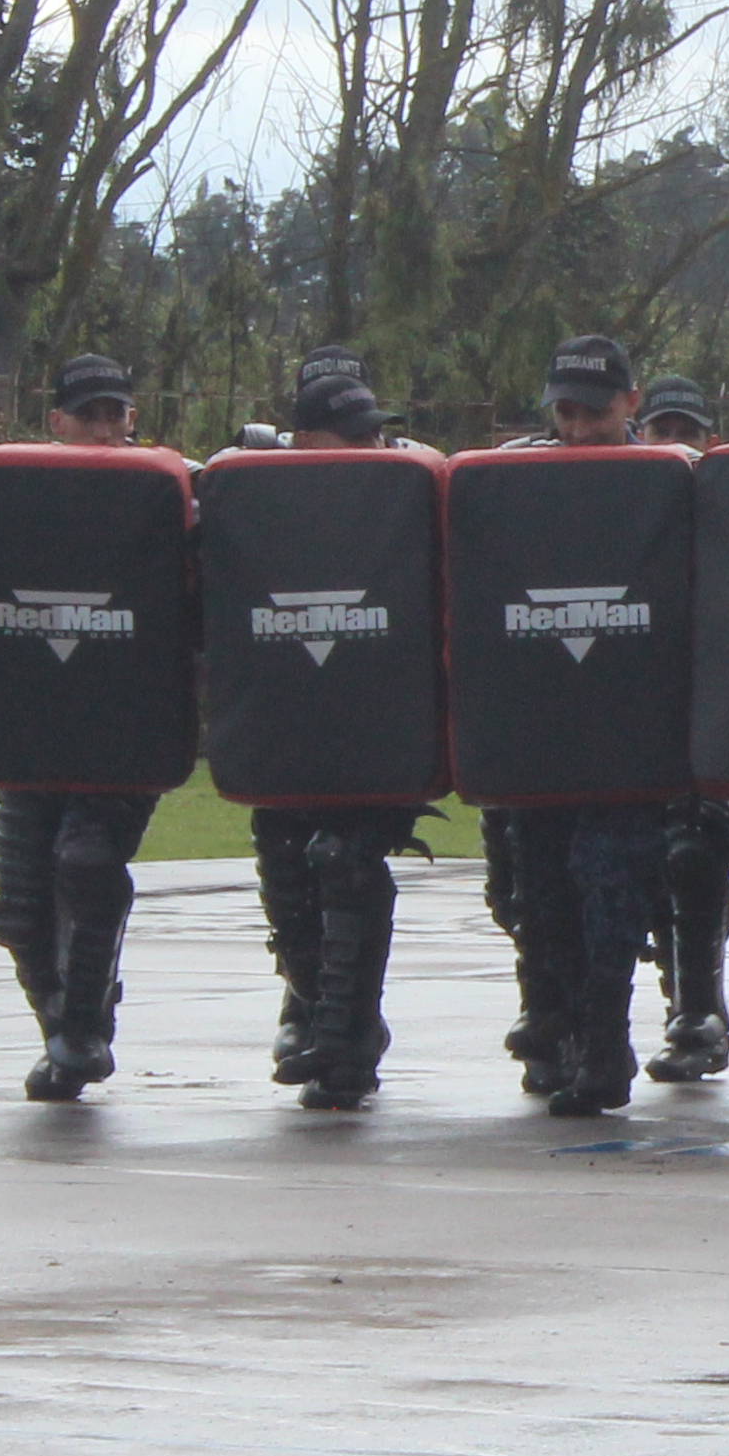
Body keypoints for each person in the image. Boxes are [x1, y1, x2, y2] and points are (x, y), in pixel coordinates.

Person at [474, 336, 673, 1115]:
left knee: (611, 883)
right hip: (538, 727)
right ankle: (557, 1033)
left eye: (595, 412)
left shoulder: (671, 478)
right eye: (566, 412)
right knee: (543, 893)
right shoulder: (512, 479)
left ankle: (605, 1039)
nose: (580, 429)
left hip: (630, 730)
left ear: (632, 403)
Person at [252, 352, 444, 1112]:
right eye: (349, 437)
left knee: (347, 862)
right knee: (287, 883)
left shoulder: (403, 493)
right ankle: (316, 1014)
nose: (369, 451)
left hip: (375, 728)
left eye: (375, 436)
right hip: (284, 729)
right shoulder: (256, 498)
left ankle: (346, 1041)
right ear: (303, 443)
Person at [0, 352, 161, 1103]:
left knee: (87, 867)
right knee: (19, 907)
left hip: (124, 736)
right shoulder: (16, 501)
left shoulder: (161, 496)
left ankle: (83, 1032)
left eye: (114, 415)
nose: (102, 430)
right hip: (32, 738)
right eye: (87, 415)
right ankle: (63, 1022)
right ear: (55, 422)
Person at [630, 375, 729, 1085]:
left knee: (694, 856)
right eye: (659, 430)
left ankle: (698, 1012)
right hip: (628, 704)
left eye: (687, 432)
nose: (673, 445)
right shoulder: (618, 503)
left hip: (716, 704)